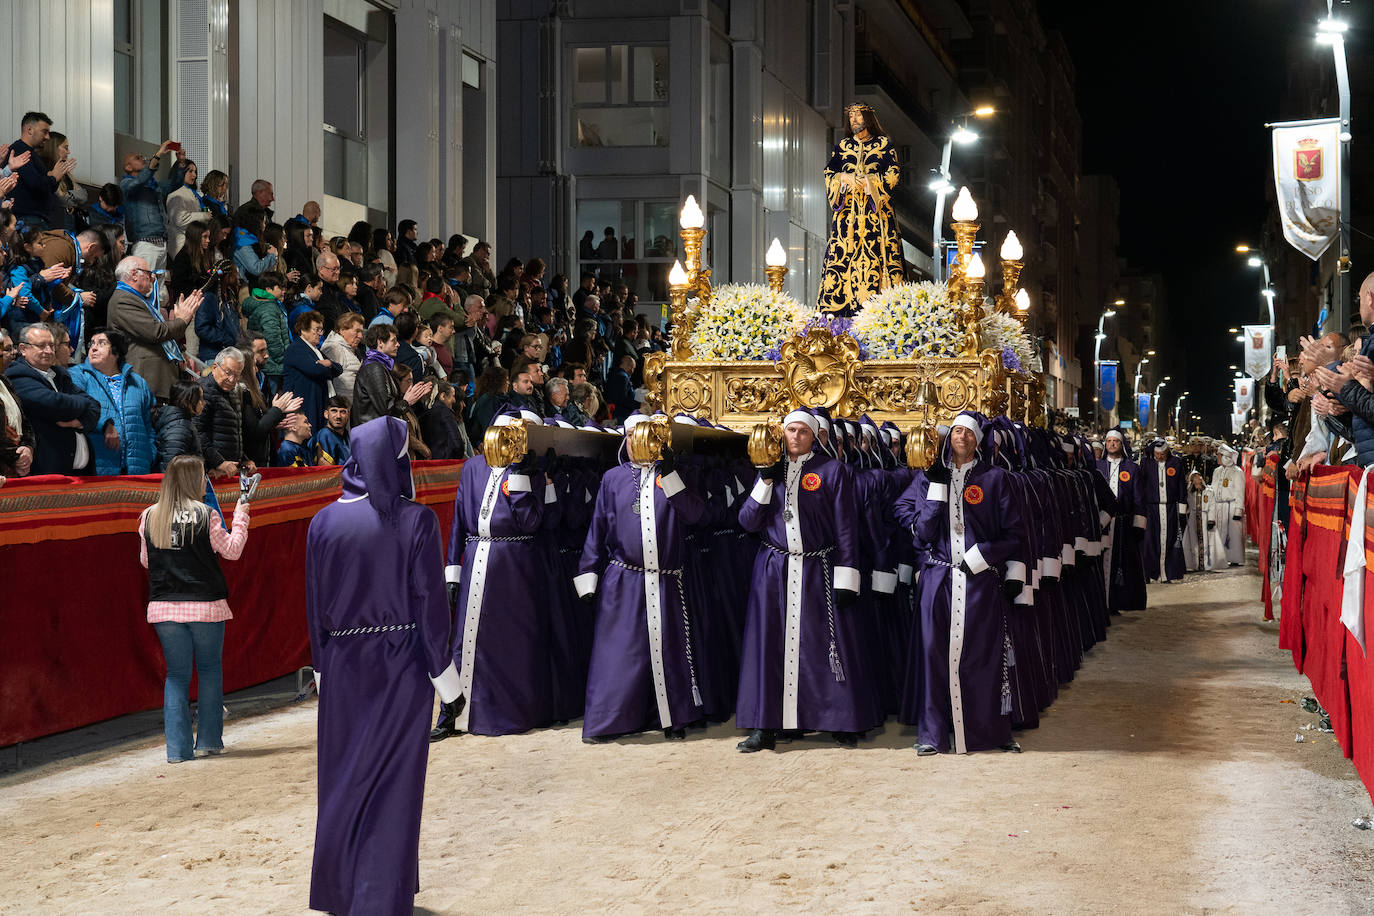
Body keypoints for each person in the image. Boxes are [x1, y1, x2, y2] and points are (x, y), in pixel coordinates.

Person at [306, 415, 458, 916]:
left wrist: (323, 668)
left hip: (344, 667)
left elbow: (314, 603)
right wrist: (447, 678)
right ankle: (380, 894)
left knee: (344, 777)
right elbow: (429, 603)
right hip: (400, 664)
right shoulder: (416, 520)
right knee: (394, 782)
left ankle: (342, 891)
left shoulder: (322, 521)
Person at [734, 410, 877, 752]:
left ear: (815, 437)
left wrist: (847, 576)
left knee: (827, 644)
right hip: (774, 571)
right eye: (789, 430)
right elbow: (747, 522)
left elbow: (846, 527)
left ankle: (840, 719)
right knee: (770, 647)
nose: (794, 437)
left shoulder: (833, 471)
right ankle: (766, 725)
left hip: (819, 569)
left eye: (801, 431)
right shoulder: (769, 469)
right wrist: (765, 481)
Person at [896, 411, 1023, 755]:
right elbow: (921, 531)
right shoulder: (927, 478)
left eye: (969, 434)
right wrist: (936, 486)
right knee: (932, 656)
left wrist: (979, 557)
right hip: (938, 579)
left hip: (979, 581)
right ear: (947, 437)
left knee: (982, 657)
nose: (962, 438)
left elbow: (1014, 535)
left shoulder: (996, 479)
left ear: (978, 441)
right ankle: (932, 735)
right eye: (957, 432)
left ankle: (986, 733)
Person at [577, 421, 708, 741]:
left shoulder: (676, 477)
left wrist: (672, 476)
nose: (640, 442)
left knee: (670, 651)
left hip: (666, 581)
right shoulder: (613, 478)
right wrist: (588, 575)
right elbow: (598, 529)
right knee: (620, 653)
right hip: (624, 581)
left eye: (647, 436)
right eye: (633, 437)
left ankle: (672, 717)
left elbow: (696, 516)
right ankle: (609, 721)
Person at [432, 411, 552, 738]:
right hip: (474, 561)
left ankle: (510, 711)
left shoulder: (532, 472)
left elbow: (530, 523)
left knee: (512, 640)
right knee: (464, 641)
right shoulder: (472, 468)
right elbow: (458, 521)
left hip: (514, 566)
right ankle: (452, 714)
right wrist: (452, 574)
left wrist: (521, 479)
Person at [139, 455, 253, 763]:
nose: (206, 481)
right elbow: (232, 551)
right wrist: (241, 516)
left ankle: (177, 751)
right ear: (193, 481)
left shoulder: (149, 516)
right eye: (203, 476)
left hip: (164, 608)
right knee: (209, 671)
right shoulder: (207, 515)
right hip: (205, 606)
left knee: (176, 676)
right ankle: (208, 741)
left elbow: (146, 561)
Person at [816, 103, 904, 314]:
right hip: (848, 221)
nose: (854, 120)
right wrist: (844, 178)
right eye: (851, 116)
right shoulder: (843, 147)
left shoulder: (883, 144)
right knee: (842, 259)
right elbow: (829, 173)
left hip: (876, 218)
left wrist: (869, 183)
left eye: (858, 116)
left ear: (868, 119)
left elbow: (893, 174)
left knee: (881, 259)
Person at [4, 322, 100, 474]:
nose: (48, 351)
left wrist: (80, 421)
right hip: (46, 470)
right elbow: (56, 405)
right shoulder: (17, 375)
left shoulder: (59, 374)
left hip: (79, 474)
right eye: (41, 346)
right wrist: (84, 404)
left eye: (51, 345)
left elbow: (95, 406)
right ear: (23, 349)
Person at [108, 256, 202, 400]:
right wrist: (182, 319)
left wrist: (181, 320)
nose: (152, 278)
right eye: (148, 273)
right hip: (147, 381)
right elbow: (156, 332)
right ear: (134, 275)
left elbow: (162, 332)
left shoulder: (137, 299)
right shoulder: (123, 300)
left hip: (159, 381)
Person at [68, 328, 156, 475]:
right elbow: (79, 407)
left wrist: (149, 453)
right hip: (97, 464)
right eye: (92, 343)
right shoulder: (78, 375)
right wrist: (105, 425)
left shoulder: (138, 382)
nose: (93, 348)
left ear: (116, 352)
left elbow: (148, 425)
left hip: (136, 467)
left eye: (101, 343)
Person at [1096, 428, 1147, 612]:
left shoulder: (1132, 468)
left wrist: (1139, 524)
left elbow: (1139, 498)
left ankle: (1117, 602)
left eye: (1115, 441)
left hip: (1123, 524)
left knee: (1122, 564)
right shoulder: (1097, 467)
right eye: (1108, 441)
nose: (1111, 444)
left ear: (1121, 444)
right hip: (1102, 525)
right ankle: (1101, 603)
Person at [120, 142, 184, 271]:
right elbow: (140, 180)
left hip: (162, 242)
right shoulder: (126, 184)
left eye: (142, 156)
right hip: (145, 244)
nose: (143, 159)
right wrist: (158, 154)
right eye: (137, 158)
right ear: (128, 167)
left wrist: (180, 164)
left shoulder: (154, 186)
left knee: (158, 288)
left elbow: (174, 185)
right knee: (144, 286)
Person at [351, 324, 430, 427]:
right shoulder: (374, 367)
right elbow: (385, 409)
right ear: (380, 342)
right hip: (373, 434)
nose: (398, 345)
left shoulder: (380, 365)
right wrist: (406, 402)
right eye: (393, 341)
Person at [282, 309, 342, 434]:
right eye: (317, 329)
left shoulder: (316, 351)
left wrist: (329, 363)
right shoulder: (296, 349)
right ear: (303, 330)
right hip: (304, 408)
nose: (320, 333)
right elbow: (315, 370)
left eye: (321, 329)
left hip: (317, 403)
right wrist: (326, 367)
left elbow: (338, 369)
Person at [195, 347, 250, 478]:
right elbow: (197, 432)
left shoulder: (231, 392)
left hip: (228, 469)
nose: (232, 379)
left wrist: (243, 459)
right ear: (214, 367)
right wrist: (219, 462)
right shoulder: (203, 391)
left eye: (237, 375)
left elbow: (233, 433)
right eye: (228, 372)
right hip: (211, 470)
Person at [1137, 437, 1187, 583]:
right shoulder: (1146, 463)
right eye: (1157, 454)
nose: (1159, 457)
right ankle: (1149, 573)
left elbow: (1181, 487)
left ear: (1167, 452)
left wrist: (1182, 509)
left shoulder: (1176, 463)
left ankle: (1167, 574)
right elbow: (1140, 485)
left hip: (1170, 508)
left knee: (1169, 540)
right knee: (1149, 542)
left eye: (1162, 454)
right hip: (1151, 508)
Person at [243, 271, 291, 397]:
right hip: (272, 365)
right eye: (280, 287)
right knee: (272, 401)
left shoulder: (268, 304)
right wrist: (284, 359)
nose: (284, 291)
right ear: (268, 289)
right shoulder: (268, 308)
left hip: (269, 363)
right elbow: (273, 338)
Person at [8, 112, 53, 229]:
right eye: (45, 132)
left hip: (34, 218)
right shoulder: (20, 151)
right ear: (29, 130)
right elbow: (36, 184)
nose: (48, 137)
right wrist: (53, 178)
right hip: (27, 218)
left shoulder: (30, 153)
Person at [154, 380, 205, 470]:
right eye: (200, 399)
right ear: (186, 401)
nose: (203, 403)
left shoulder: (181, 423)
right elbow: (172, 467)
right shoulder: (179, 428)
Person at [1210, 443, 1246, 566]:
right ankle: (1220, 557)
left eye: (1219, 455)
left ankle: (1235, 558)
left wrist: (1238, 510)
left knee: (1233, 534)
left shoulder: (1238, 472)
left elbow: (1240, 492)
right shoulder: (1216, 471)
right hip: (1218, 506)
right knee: (1219, 533)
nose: (1217, 458)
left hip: (1231, 506)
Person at [164, 158, 206, 258]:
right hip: (182, 245)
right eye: (190, 171)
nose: (194, 175)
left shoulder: (192, 192)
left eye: (195, 172)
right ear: (179, 173)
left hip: (193, 243)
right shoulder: (176, 193)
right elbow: (180, 220)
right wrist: (203, 216)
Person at [321, 313, 364, 401]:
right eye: (357, 331)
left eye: (361, 332)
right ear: (342, 330)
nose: (360, 336)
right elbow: (330, 381)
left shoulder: (352, 350)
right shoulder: (333, 348)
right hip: (340, 407)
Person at [1183, 470, 1218, 572]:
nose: (1199, 477)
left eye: (1199, 475)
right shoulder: (1189, 493)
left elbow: (1212, 505)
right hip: (1193, 518)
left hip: (1205, 517)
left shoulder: (1209, 492)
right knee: (1193, 542)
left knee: (1206, 542)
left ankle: (1206, 564)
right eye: (1195, 476)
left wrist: (1211, 519)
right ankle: (1195, 564)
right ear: (1192, 480)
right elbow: (1187, 506)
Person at [311, 396, 352, 465]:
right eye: (334, 411)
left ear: (348, 415)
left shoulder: (345, 435)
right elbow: (326, 471)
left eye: (343, 412)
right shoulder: (325, 435)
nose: (338, 416)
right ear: (326, 414)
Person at [605, 353, 638, 421]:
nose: (632, 371)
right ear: (629, 366)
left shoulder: (614, 373)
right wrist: (638, 404)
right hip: (621, 415)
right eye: (633, 368)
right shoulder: (623, 377)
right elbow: (622, 399)